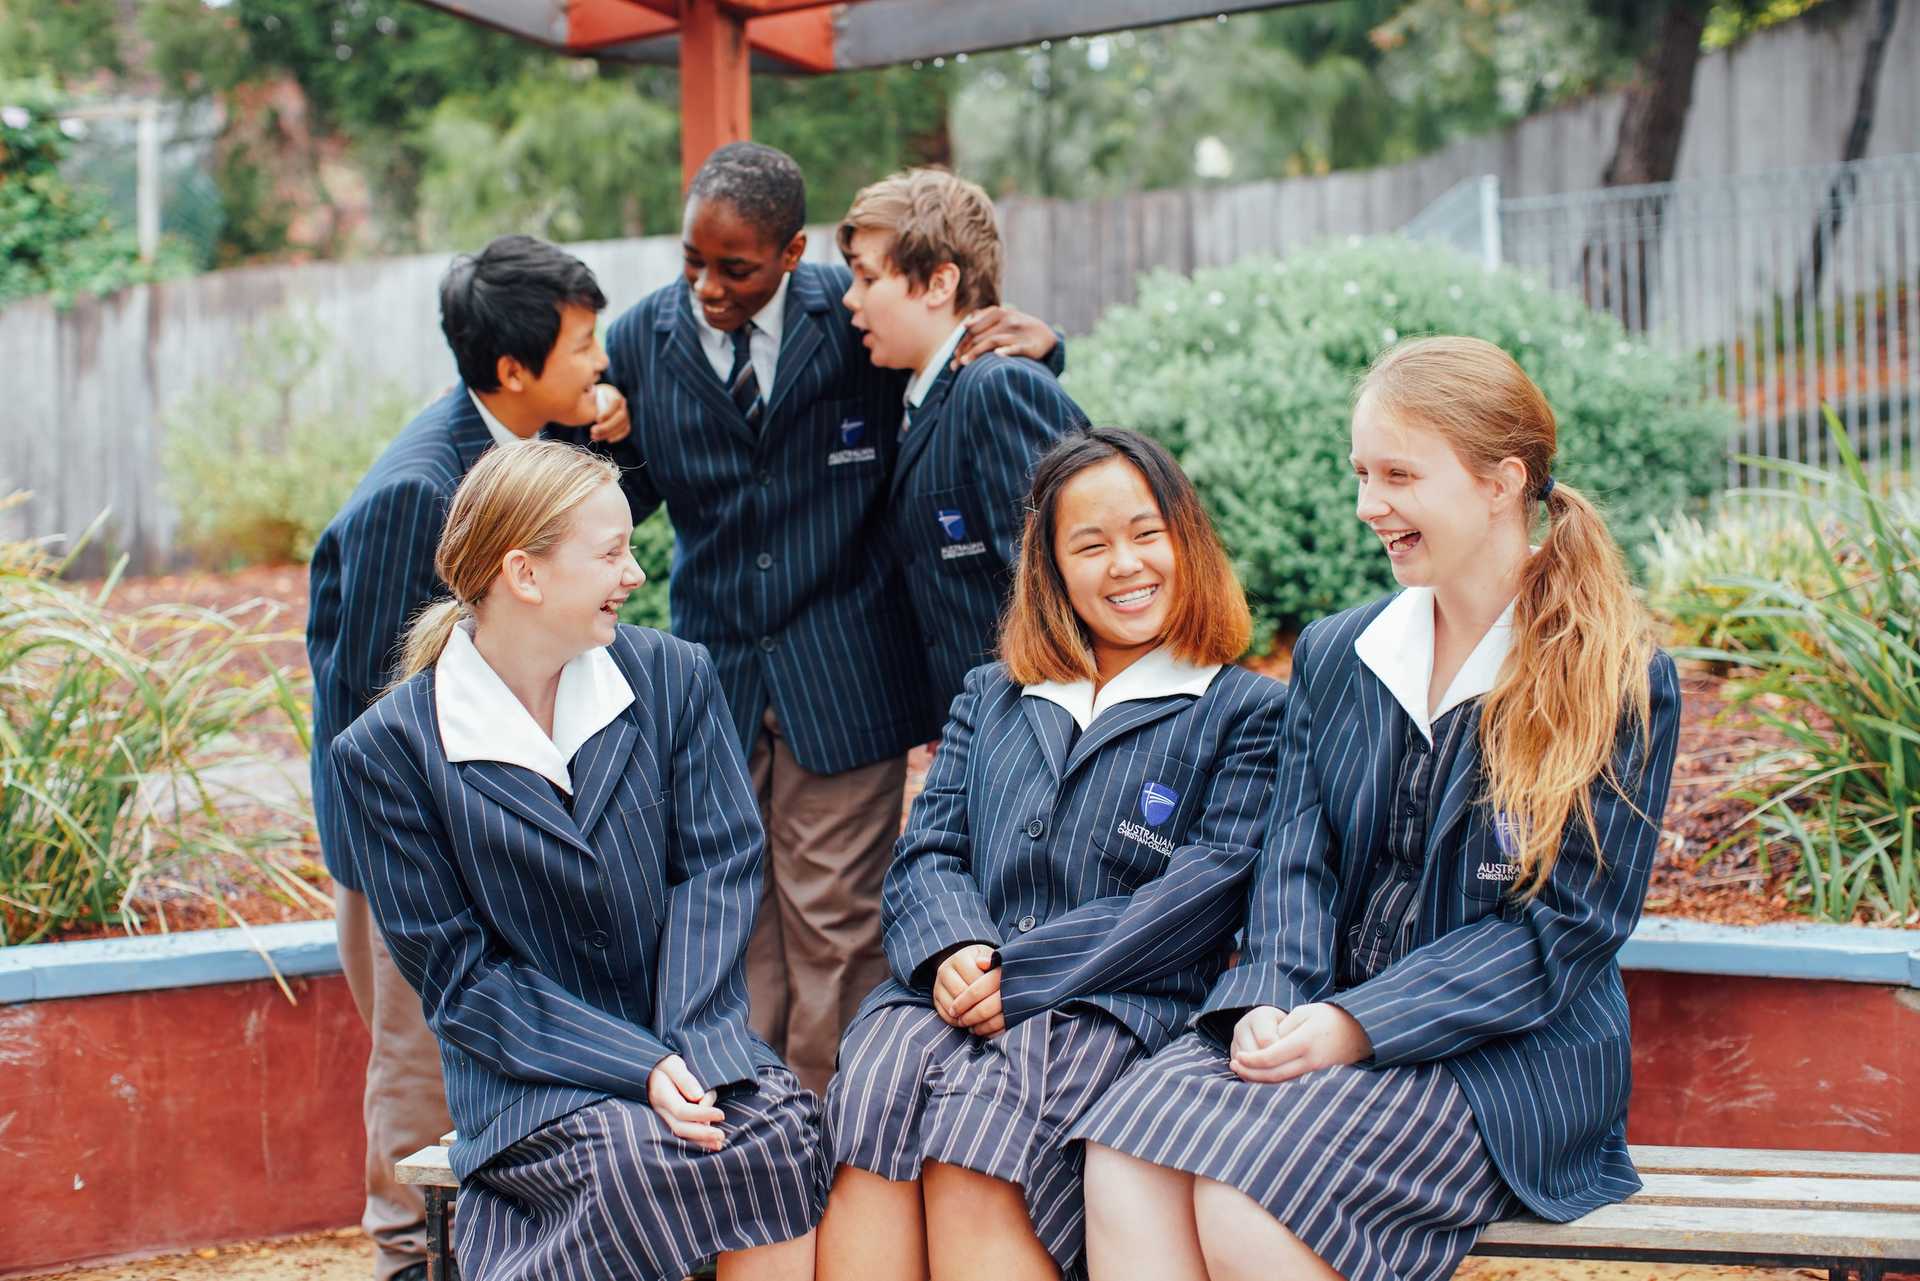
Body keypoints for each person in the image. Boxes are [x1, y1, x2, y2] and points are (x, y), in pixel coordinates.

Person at [1074, 336, 1683, 1281]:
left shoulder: (1617, 677)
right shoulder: (1338, 652)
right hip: (1321, 1017)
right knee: (1125, 1152)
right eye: (1362, 473)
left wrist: (1358, 1026)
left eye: (1399, 474)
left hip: (1503, 1060)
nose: (1368, 506)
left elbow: (1563, 931)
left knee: (1244, 1195)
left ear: (1500, 483)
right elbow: (1294, 866)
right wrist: (1270, 997)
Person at [601, 142, 1067, 1093]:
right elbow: (613, 489)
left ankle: (833, 1142)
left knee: (838, 926)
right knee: (727, 923)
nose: (708, 288)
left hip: (843, 677)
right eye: (693, 262)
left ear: (788, 252)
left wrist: (1044, 351)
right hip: (715, 681)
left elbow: (973, 383)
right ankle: (746, 1125)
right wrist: (583, 415)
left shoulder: (850, 315)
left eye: (734, 268)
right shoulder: (644, 339)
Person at [328, 441, 823, 1281]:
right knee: (627, 1156)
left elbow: (719, 867)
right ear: (524, 574)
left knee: (775, 1131)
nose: (633, 571)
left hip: (691, 1030)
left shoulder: (672, 675)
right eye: (610, 552)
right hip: (531, 1077)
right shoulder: (388, 752)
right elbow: (463, 981)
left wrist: (686, 1048)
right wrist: (638, 1065)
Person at [816, 427, 1287, 1281]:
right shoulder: (993, 693)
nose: (1126, 564)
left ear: (1187, 539)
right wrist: (953, 949)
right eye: (1091, 544)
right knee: (878, 1077)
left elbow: (1205, 890)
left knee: (979, 1128)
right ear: (1053, 566)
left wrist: (1021, 972)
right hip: (952, 992)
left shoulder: (1242, 709)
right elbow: (927, 849)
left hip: (1110, 1005)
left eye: (1148, 534)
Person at [305, 235, 630, 1281]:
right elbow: (372, 712)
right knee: (417, 1046)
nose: (600, 362)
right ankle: (409, 1252)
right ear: (512, 372)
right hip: (405, 838)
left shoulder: (513, 454)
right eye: (583, 346)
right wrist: (424, 863)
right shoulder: (420, 491)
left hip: (474, 813)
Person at [838, 167, 1088, 714]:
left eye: (866, 278)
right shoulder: (919, 395)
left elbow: (1057, 583)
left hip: (1032, 730)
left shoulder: (998, 387)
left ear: (939, 283)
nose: (850, 300)